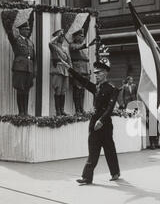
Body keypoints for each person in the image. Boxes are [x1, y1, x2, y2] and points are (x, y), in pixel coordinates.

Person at [61, 49, 121, 184]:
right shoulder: (97, 88)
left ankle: (115, 172)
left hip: (104, 124)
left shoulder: (112, 89)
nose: (96, 75)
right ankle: (87, 177)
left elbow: (110, 108)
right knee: (93, 149)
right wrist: (69, 69)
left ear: (105, 73)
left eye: (99, 73)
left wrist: (101, 120)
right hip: (94, 122)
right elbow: (82, 80)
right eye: (95, 73)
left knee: (109, 149)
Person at [7, 22, 36, 116]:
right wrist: (9, 27)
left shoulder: (30, 42)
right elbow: (10, 36)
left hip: (29, 68)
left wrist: (34, 70)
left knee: (27, 90)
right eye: (26, 29)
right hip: (20, 67)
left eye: (28, 29)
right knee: (20, 89)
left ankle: (26, 112)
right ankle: (21, 112)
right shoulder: (16, 40)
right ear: (21, 30)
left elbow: (34, 58)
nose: (28, 31)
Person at [69, 29, 96, 115]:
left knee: (82, 91)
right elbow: (77, 48)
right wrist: (87, 45)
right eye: (80, 36)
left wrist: (89, 71)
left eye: (83, 36)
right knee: (77, 90)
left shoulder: (83, 47)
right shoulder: (72, 45)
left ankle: (81, 108)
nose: (82, 37)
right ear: (75, 37)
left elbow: (86, 59)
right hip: (78, 71)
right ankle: (77, 109)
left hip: (85, 70)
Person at [49, 29, 71, 116]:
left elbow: (69, 60)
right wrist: (57, 36)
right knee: (58, 90)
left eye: (62, 36)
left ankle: (62, 110)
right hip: (57, 70)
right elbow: (50, 43)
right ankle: (57, 111)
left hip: (65, 70)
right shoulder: (54, 46)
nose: (62, 38)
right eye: (60, 36)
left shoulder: (65, 48)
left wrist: (71, 70)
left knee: (63, 90)